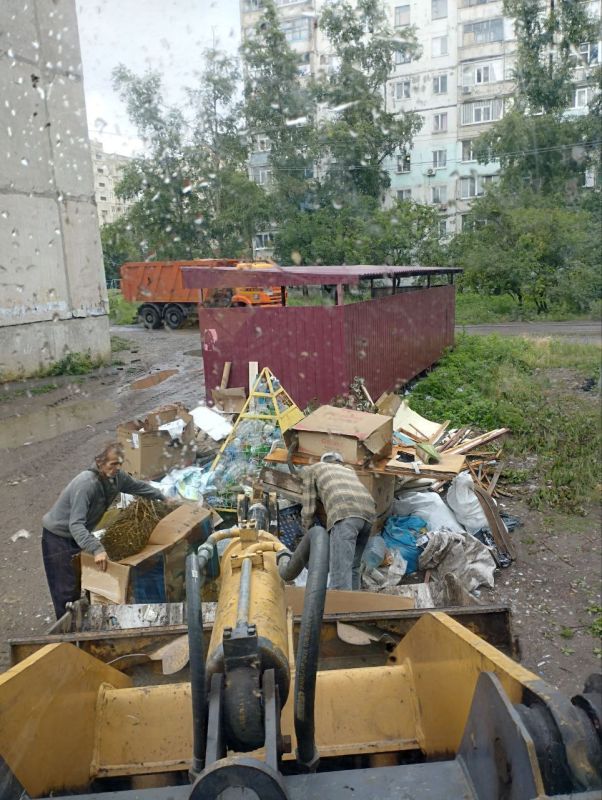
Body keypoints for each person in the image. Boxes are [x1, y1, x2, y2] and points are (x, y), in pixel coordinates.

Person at [41, 442, 170, 618]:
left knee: (81, 580)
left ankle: (81, 621)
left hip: (78, 535)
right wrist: (96, 548)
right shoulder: (86, 484)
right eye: (113, 464)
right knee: (65, 590)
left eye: (119, 464)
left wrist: (162, 497)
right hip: (58, 538)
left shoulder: (117, 478)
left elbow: (137, 487)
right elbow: (75, 524)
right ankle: (66, 630)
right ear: (100, 462)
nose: (117, 468)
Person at [301, 452, 376, 591]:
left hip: (345, 514)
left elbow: (308, 507)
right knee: (353, 568)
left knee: (339, 576)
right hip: (369, 514)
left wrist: (306, 529)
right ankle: (356, 602)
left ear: (323, 460)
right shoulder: (349, 470)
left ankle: (339, 604)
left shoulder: (314, 468)